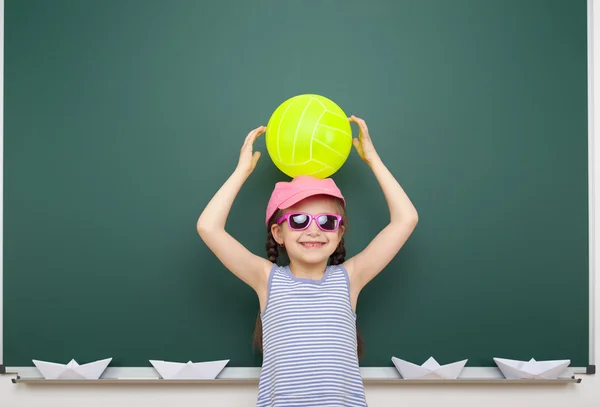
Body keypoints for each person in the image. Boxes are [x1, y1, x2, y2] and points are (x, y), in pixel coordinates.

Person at [197, 115, 418, 407]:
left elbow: (406, 219)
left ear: (339, 234)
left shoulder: (349, 279)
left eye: (327, 221)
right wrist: (241, 171)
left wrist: (373, 159)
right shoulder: (267, 279)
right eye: (299, 220)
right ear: (278, 232)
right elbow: (208, 227)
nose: (313, 229)